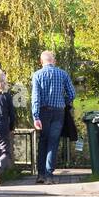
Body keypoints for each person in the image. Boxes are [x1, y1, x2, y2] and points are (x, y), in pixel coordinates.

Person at [30, 50, 75, 185]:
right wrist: (63, 101)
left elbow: (35, 98)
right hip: (58, 112)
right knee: (53, 142)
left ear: (41, 61)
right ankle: (49, 175)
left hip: (43, 112)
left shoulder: (37, 75)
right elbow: (72, 93)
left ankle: (41, 175)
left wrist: (35, 116)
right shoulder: (62, 74)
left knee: (43, 141)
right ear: (53, 61)